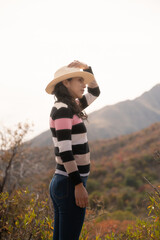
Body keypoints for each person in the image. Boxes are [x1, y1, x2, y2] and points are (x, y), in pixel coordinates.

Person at [45, 60, 100, 240]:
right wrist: (78, 185)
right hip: (69, 183)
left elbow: (95, 92)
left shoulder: (71, 106)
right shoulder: (62, 109)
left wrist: (86, 67)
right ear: (65, 82)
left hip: (65, 182)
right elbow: (65, 151)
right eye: (79, 80)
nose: (84, 85)